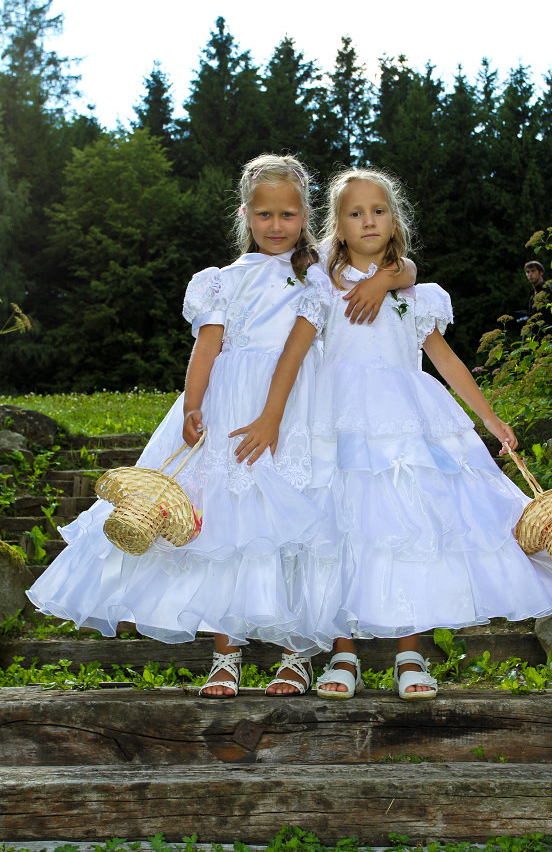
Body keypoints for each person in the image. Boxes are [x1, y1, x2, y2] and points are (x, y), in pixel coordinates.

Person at [26, 154, 414, 700]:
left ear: (306, 217)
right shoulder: (221, 281)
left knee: (294, 527)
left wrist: (390, 276)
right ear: (245, 215)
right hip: (230, 407)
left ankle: (296, 654)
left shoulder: (318, 275)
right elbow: (207, 346)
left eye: (287, 215)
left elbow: (393, 271)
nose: (275, 226)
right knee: (226, 528)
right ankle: (226, 654)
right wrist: (193, 404)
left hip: (295, 408)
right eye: (264, 215)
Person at [234, 167, 552, 702]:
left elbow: (446, 360)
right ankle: (344, 652)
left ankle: (409, 653)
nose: (368, 221)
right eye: (355, 213)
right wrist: (272, 417)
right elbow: (294, 352)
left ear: (394, 220)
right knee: (341, 532)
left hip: (405, 424)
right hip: (337, 423)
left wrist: (489, 418)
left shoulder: (414, 293)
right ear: (337, 225)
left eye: (378, 211)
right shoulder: (322, 285)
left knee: (407, 530)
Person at [524, 260, 552, 336]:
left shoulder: (550, 290)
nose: (530, 274)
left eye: (533, 271)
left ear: (541, 272)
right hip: (538, 338)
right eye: (528, 272)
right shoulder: (532, 296)